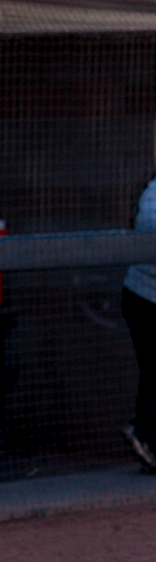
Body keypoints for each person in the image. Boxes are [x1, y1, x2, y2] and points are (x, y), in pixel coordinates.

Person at [125, 173, 156, 473]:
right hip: (145, 300)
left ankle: (145, 435)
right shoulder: (154, 193)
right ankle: (144, 436)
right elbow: (150, 230)